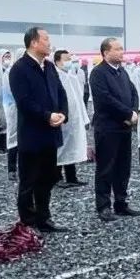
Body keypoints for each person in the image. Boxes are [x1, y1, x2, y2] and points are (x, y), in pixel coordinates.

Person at [9, 27, 69, 232]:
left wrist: (62, 113)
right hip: (32, 134)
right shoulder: (19, 69)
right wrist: (46, 115)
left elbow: (60, 92)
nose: (49, 43)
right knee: (29, 179)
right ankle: (27, 221)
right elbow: (24, 102)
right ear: (33, 43)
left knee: (48, 177)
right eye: (45, 39)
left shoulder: (49, 67)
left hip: (51, 133)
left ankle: (44, 217)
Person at [88, 37, 140, 222]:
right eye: (117, 49)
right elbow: (105, 100)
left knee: (123, 167)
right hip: (108, 128)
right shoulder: (98, 73)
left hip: (124, 127)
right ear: (106, 53)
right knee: (106, 168)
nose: (121, 52)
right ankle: (103, 206)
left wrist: (133, 111)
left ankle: (121, 202)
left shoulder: (122, 72)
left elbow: (133, 93)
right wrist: (127, 114)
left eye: (121, 49)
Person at [54, 50, 88, 188]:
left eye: (70, 59)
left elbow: (79, 99)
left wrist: (84, 118)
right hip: (62, 118)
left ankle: (71, 177)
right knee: (60, 149)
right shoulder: (55, 77)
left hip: (74, 119)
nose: (69, 62)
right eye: (66, 59)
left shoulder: (71, 76)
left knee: (71, 148)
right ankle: (57, 178)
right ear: (57, 61)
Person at [3, 47, 25, 182]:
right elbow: (8, 92)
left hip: (26, 110)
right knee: (13, 139)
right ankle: (12, 169)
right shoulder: (10, 72)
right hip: (13, 108)